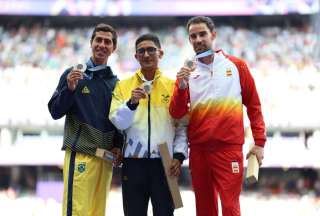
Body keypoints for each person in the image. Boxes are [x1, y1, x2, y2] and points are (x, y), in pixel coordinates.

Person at [169, 16, 267, 216]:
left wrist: (259, 143)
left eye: (202, 34)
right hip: (199, 150)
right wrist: (180, 88)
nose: (198, 39)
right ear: (189, 40)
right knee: (205, 210)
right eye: (193, 36)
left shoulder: (237, 66)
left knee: (230, 208)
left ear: (213, 35)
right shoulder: (187, 73)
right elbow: (176, 113)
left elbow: (254, 106)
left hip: (228, 149)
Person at [48, 23, 123, 216]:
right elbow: (55, 112)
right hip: (81, 153)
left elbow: (116, 120)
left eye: (107, 42)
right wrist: (70, 89)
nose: (102, 45)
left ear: (113, 48)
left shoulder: (116, 83)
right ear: (91, 43)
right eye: (98, 40)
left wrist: (118, 144)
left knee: (97, 212)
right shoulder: (73, 74)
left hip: (105, 158)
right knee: (77, 212)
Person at [109, 33, 188, 216]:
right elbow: (118, 122)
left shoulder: (174, 86)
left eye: (151, 50)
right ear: (136, 56)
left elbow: (182, 126)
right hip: (133, 163)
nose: (146, 55)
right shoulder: (123, 85)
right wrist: (131, 104)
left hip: (165, 163)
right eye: (141, 51)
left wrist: (179, 155)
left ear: (160, 53)